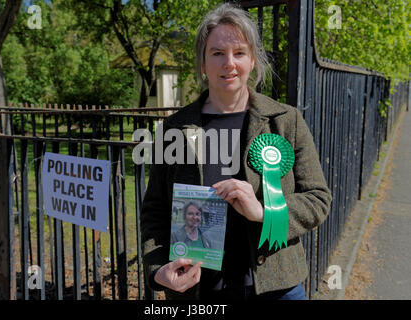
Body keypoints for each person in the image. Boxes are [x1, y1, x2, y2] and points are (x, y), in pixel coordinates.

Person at [141, 3, 332, 300]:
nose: (229, 63)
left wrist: (265, 213)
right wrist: (156, 269)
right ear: (203, 63)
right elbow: (154, 210)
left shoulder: (285, 121)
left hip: (277, 288)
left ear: (253, 60)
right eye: (217, 53)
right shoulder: (174, 129)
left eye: (239, 53)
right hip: (197, 291)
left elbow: (318, 199)